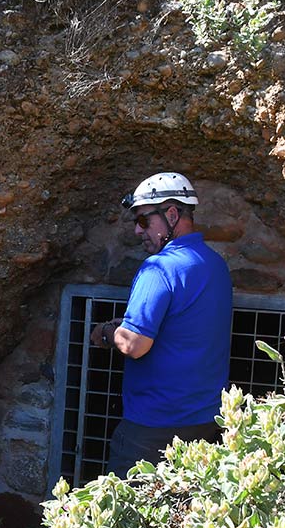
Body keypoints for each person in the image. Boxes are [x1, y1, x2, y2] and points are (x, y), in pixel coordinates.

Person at [89, 172, 233, 478]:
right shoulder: (215, 264)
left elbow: (134, 345)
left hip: (154, 427)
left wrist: (105, 333)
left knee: (126, 517)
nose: (137, 230)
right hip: (207, 421)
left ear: (172, 214)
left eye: (143, 221)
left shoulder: (159, 267)